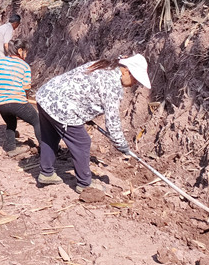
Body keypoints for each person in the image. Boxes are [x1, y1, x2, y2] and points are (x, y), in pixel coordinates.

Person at [35, 54, 151, 191]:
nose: (135, 83)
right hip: (62, 107)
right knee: (82, 142)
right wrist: (121, 144)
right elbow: (112, 121)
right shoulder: (113, 85)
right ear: (126, 70)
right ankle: (85, 185)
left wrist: (84, 114)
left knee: (50, 136)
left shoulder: (103, 65)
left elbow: (79, 87)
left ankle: (47, 173)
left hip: (46, 96)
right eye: (135, 78)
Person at [0, 38, 41, 157]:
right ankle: (47, 148)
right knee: (37, 121)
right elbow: (26, 87)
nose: (26, 55)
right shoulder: (24, 66)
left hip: (2, 104)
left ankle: (10, 148)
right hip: (17, 101)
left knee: (11, 123)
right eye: (26, 52)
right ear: (20, 51)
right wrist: (25, 100)